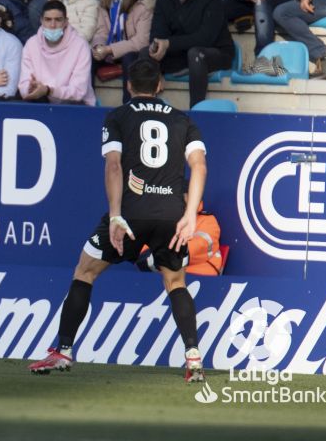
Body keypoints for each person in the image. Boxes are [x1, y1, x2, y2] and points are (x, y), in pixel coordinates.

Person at [27, 57, 207, 385]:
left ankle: (63, 351)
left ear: (128, 86)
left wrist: (115, 216)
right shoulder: (182, 120)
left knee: (85, 272)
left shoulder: (119, 116)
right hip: (170, 215)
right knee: (176, 283)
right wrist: (190, 215)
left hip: (130, 214)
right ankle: (193, 355)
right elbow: (200, 166)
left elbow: (113, 166)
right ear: (160, 85)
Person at [148, 0, 235, 107]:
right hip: (180, 53)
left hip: (215, 51)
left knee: (196, 54)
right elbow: (157, 30)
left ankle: (196, 110)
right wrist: (157, 50)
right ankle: (142, 110)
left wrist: (168, 43)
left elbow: (205, 38)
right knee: (145, 52)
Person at [92, 0, 155, 102]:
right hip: (110, 51)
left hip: (134, 53)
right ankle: (87, 104)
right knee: (88, 56)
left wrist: (109, 49)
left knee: (129, 58)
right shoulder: (105, 1)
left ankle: (128, 104)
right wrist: (99, 46)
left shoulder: (144, 4)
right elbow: (101, 30)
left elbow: (141, 42)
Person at [18, 0, 96, 106]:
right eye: (48, 20)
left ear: (65, 22)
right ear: (41, 21)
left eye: (58, 20)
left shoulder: (80, 46)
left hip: (74, 104)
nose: (52, 25)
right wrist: (29, 89)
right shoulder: (31, 44)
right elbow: (24, 84)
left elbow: (78, 92)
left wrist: (49, 90)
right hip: (42, 100)